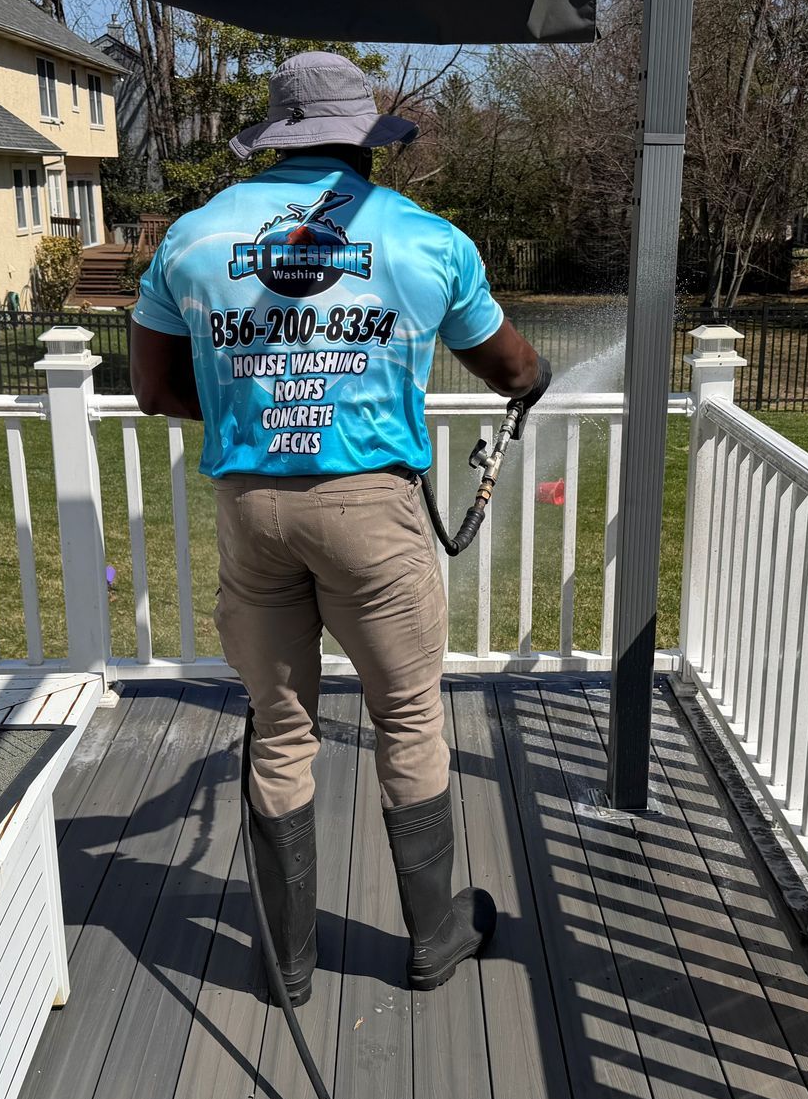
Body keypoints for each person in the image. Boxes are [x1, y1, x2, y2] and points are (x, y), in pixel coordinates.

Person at [130, 51, 549, 1006]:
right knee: (407, 717)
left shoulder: (192, 238)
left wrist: (263, 402)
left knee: (279, 732)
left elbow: (152, 388)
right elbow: (513, 367)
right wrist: (531, 384)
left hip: (253, 511)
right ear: (366, 140)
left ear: (274, 139)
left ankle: (288, 964)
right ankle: (436, 935)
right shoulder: (424, 238)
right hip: (372, 512)